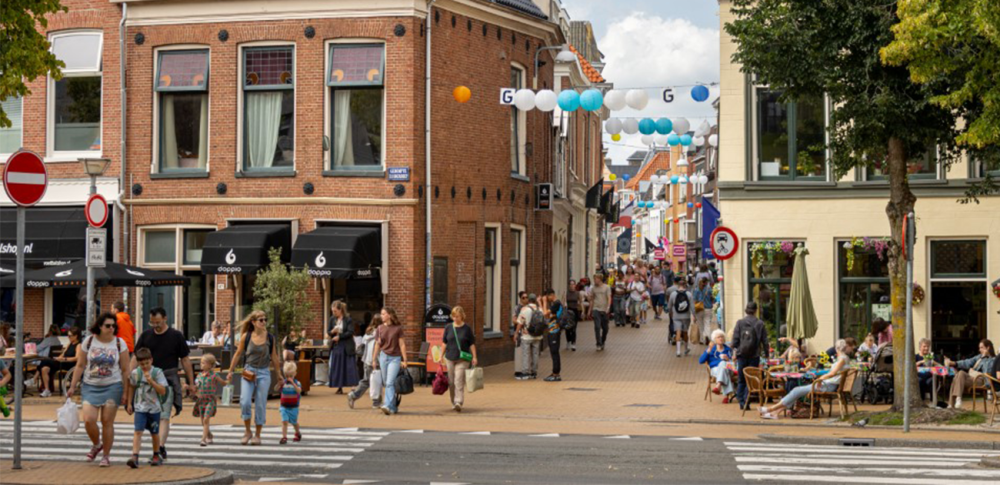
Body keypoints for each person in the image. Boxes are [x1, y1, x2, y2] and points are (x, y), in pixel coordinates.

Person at [68, 312, 130, 467]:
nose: (111, 328)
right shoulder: (88, 342)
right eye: (108, 325)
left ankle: (106, 455)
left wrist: (126, 392)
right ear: (100, 326)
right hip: (90, 385)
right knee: (89, 420)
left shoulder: (119, 343)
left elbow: (125, 369)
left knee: (107, 422)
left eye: (113, 325)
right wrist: (72, 385)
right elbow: (80, 365)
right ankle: (97, 444)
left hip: (113, 386)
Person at [133, 307, 193, 461]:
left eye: (158, 322)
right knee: (150, 417)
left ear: (165, 318)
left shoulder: (176, 336)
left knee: (164, 416)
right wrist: (129, 375)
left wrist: (191, 382)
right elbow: (136, 357)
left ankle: (159, 448)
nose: (155, 326)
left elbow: (185, 360)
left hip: (167, 380)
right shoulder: (146, 336)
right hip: (146, 382)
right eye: (152, 323)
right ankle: (158, 447)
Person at [226, 310, 284, 445]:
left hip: (264, 373)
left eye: (265, 319)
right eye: (261, 320)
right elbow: (238, 353)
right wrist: (230, 370)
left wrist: (279, 374)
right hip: (249, 371)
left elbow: (274, 357)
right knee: (245, 401)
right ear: (253, 322)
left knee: (260, 404)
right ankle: (247, 431)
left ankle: (257, 434)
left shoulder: (270, 337)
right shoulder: (246, 336)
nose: (264, 322)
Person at [759, 339, 852, 419]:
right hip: (828, 384)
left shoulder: (842, 359)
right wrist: (821, 375)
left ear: (836, 348)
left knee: (796, 390)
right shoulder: (843, 358)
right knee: (797, 392)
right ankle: (775, 413)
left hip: (828, 386)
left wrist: (820, 379)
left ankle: (770, 409)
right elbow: (833, 372)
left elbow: (832, 373)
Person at [125, 347, 167, 468]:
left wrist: (152, 382)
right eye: (142, 363)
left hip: (154, 408)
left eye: (147, 363)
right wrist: (129, 403)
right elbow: (131, 386)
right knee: (138, 431)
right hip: (140, 408)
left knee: (154, 433)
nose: (144, 366)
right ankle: (135, 456)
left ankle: (156, 454)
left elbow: (163, 390)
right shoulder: (135, 373)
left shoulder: (157, 372)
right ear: (138, 362)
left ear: (151, 360)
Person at [371, 307, 408, 415]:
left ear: (390, 315)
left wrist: (405, 360)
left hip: (395, 358)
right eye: (381, 314)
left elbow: (402, 344)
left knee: (389, 382)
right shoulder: (379, 328)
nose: (381, 316)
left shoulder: (398, 328)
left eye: (383, 314)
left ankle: (386, 404)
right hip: (383, 357)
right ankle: (393, 407)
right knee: (386, 383)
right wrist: (374, 359)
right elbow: (377, 345)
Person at [732, 302, 768, 410]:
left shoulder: (740, 322)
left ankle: (741, 401)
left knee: (741, 379)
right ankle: (746, 401)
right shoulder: (760, 323)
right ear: (756, 310)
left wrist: (735, 352)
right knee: (750, 379)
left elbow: (734, 341)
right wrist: (766, 355)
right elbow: (765, 341)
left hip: (741, 355)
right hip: (754, 355)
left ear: (746, 310)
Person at [442, 306, 477, 411]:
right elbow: (444, 342)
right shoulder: (448, 327)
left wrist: (474, 357)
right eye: (453, 316)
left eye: (457, 316)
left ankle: (458, 402)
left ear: (462, 316)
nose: (455, 319)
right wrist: (440, 356)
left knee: (458, 380)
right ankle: (453, 401)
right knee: (451, 382)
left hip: (463, 359)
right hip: (450, 358)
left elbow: (472, 344)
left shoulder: (467, 329)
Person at [945, 339, 996, 409]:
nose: (979, 350)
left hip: (983, 380)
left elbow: (987, 373)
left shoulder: (994, 359)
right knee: (959, 374)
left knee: (958, 376)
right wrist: (954, 363)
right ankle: (958, 399)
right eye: (979, 348)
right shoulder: (979, 357)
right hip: (973, 378)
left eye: (982, 347)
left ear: (988, 348)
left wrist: (985, 357)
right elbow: (968, 362)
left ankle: (952, 404)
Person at [348, 315, 383, 409]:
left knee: (367, 381)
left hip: (366, 359)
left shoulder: (368, 331)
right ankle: (376, 402)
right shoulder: (380, 332)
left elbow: (363, 343)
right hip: (375, 360)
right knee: (377, 381)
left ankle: (354, 395)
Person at [192, 353, 225, 446]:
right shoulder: (199, 376)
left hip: (210, 400)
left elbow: (223, 383)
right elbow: (196, 387)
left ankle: (203, 439)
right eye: (201, 362)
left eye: (204, 363)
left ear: (210, 365)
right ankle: (209, 435)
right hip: (201, 400)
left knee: (206, 419)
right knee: (203, 421)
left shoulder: (214, 375)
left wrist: (228, 380)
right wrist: (188, 387)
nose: (201, 364)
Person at [38, 326, 81, 397]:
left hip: (69, 364)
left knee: (44, 361)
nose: (68, 337)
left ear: (76, 336)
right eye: (68, 335)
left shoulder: (78, 345)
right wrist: (58, 358)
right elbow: (63, 354)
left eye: (70, 336)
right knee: (44, 368)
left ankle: (35, 377)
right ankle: (47, 390)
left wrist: (64, 359)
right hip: (62, 363)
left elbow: (77, 358)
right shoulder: (69, 344)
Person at [328, 300, 359, 394]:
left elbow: (350, 332)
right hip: (337, 346)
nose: (333, 313)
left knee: (349, 366)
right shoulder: (332, 319)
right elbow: (328, 332)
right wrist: (332, 332)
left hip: (347, 345)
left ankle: (353, 387)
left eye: (335, 311)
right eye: (332, 311)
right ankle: (339, 386)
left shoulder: (348, 319)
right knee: (338, 366)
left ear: (340, 310)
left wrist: (340, 337)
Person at [699, 329, 735, 402]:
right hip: (715, 369)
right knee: (723, 368)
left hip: (729, 368)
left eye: (722, 337)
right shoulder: (711, 349)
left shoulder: (728, 350)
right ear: (714, 339)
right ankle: (727, 396)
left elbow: (733, 365)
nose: (721, 338)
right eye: (718, 337)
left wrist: (728, 359)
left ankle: (718, 385)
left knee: (723, 364)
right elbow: (701, 361)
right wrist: (708, 350)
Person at [515, 294, 543, 379]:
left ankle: (525, 372)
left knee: (526, 354)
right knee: (535, 354)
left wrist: (516, 333)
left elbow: (520, 322)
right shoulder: (540, 309)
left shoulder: (525, 309)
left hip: (527, 336)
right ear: (535, 300)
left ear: (529, 300)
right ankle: (534, 372)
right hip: (537, 336)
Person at [668, 277, 694, 357]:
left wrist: (670, 313)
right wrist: (694, 315)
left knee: (678, 332)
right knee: (685, 332)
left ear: (678, 285)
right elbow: (692, 307)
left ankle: (678, 351)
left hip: (676, 316)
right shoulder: (689, 294)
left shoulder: (673, 294)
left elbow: (670, 305)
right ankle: (686, 349)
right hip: (686, 316)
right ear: (685, 285)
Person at [279, 361, 302, 444]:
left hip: (293, 407)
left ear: (295, 374)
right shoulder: (284, 383)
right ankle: (284, 437)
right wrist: (279, 384)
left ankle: (297, 432)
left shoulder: (297, 383)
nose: (289, 378)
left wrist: (293, 383)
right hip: (284, 406)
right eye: (287, 376)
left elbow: (299, 391)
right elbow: (276, 389)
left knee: (294, 422)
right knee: (284, 421)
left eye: (291, 376)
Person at [543, 290, 563, 382]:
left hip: (555, 331)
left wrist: (544, 302)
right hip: (553, 331)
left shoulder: (556, 304)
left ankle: (556, 374)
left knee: (554, 352)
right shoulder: (554, 305)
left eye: (547, 297)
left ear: (551, 295)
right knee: (553, 352)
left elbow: (545, 314)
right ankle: (555, 372)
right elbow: (547, 317)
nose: (547, 299)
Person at [590, 274, 612, 351]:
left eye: (595, 279)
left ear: (600, 279)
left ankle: (603, 341)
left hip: (604, 310)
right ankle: (598, 343)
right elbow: (592, 299)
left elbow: (609, 297)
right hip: (596, 309)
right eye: (594, 279)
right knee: (597, 327)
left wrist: (608, 307)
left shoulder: (607, 287)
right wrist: (590, 310)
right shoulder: (593, 288)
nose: (594, 280)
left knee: (605, 328)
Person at [693, 277, 716, 344]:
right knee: (707, 324)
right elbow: (713, 299)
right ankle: (707, 336)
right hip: (708, 308)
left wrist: (694, 313)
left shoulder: (697, 289)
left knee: (700, 325)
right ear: (706, 282)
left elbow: (694, 300)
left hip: (699, 308)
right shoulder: (709, 289)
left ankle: (701, 339)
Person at [564, 280, 580, 351]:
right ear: (568, 285)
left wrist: (582, 312)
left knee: (574, 328)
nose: (572, 286)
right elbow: (563, 301)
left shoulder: (577, 293)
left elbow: (580, 302)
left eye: (573, 284)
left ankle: (573, 343)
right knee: (567, 328)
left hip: (575, 311)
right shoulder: (566, 293)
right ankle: (568, 341)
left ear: (575, 285)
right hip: (568, 311)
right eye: (570, 284)